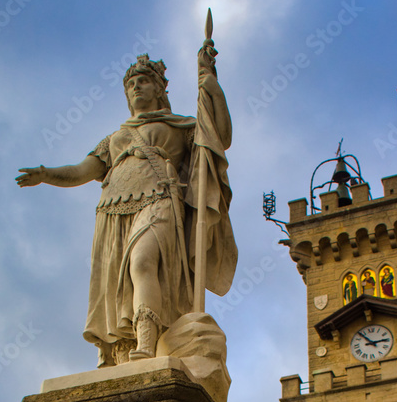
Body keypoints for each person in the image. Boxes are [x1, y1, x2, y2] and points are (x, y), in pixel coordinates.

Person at [16, 49, 236, 367]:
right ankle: (120, 350)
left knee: (143, 261)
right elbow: (82, 171)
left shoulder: (180, 126)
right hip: (113, 210)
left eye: (144, 81)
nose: (136, 88)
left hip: (159, 200)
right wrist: (46, 174)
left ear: (160, 88)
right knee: (119, 287)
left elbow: (220, 138)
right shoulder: (115, 138)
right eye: (131, 83)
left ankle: (146, 343)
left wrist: (211, 86)